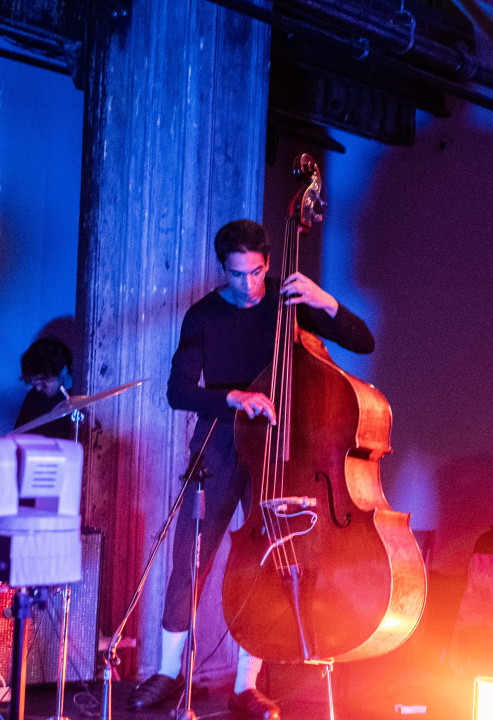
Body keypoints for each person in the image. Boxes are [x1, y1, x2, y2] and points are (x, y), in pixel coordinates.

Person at [129, 219, 375, 719]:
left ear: (267, 263)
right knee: (189, 559)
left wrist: (324, 300)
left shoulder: (289, 303)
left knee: (267, 558)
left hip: (278, 447)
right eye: (238, 275)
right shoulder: (203, 315)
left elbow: (364, 341)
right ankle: (169, 672)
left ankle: (247, 684)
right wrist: (235, 397)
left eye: (258, 272)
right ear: (222, 269)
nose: (250, 285)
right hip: (219, 442)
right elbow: (177, 392)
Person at [13, 336, 74, 439]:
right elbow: (18, 436)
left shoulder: (80, 398)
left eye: (43, 380)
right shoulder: (33, 397)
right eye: (35, 382)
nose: (38, 388)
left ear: (63, 370)